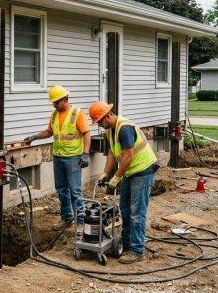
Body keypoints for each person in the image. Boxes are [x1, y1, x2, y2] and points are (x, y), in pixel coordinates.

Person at [88, 101, 158, 264]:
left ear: (108, 116)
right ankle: (126, 245)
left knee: (136, 212)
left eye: (99, 121)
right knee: (125, 210)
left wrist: (116, 177)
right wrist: (105, 173)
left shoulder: (125, 129)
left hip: (142, 171)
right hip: (131, 172)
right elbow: (112, 153)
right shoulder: (111, 130)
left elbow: (128, 156)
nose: (99, 125)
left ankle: (136, 250)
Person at [24, 85, 91, 231]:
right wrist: (34, 137)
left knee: (75, 190)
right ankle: (66, 218)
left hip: (73, 157)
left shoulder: (77, 113)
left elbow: (86, 133)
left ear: (65, 99)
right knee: (61, 189)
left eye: (56, 102)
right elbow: (49, 132)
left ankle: (80, 222)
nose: (54, 105)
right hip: (58, 157)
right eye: (53, 102)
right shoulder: (54, 115)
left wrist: (85, 154)